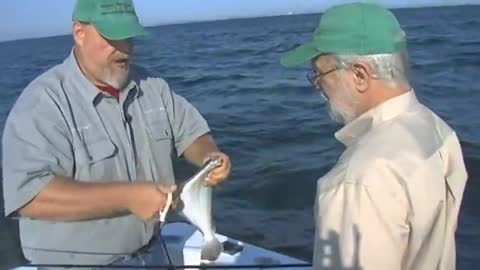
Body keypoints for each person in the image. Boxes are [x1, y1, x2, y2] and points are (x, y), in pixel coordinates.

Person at [1, 0, 231, 268]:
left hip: (154, 253)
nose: (124, 49)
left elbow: (192, 133)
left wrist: (210, 155)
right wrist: (128, 197)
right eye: (112, 36)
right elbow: (29, 197)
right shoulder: (43, 103)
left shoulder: (153, 87)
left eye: (128, 36)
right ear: (79, 33)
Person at [280, 2, 468, 270]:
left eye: (320, 74)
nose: (318, 86)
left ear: (359, 75)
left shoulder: (358, 180)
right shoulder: (437, 129)